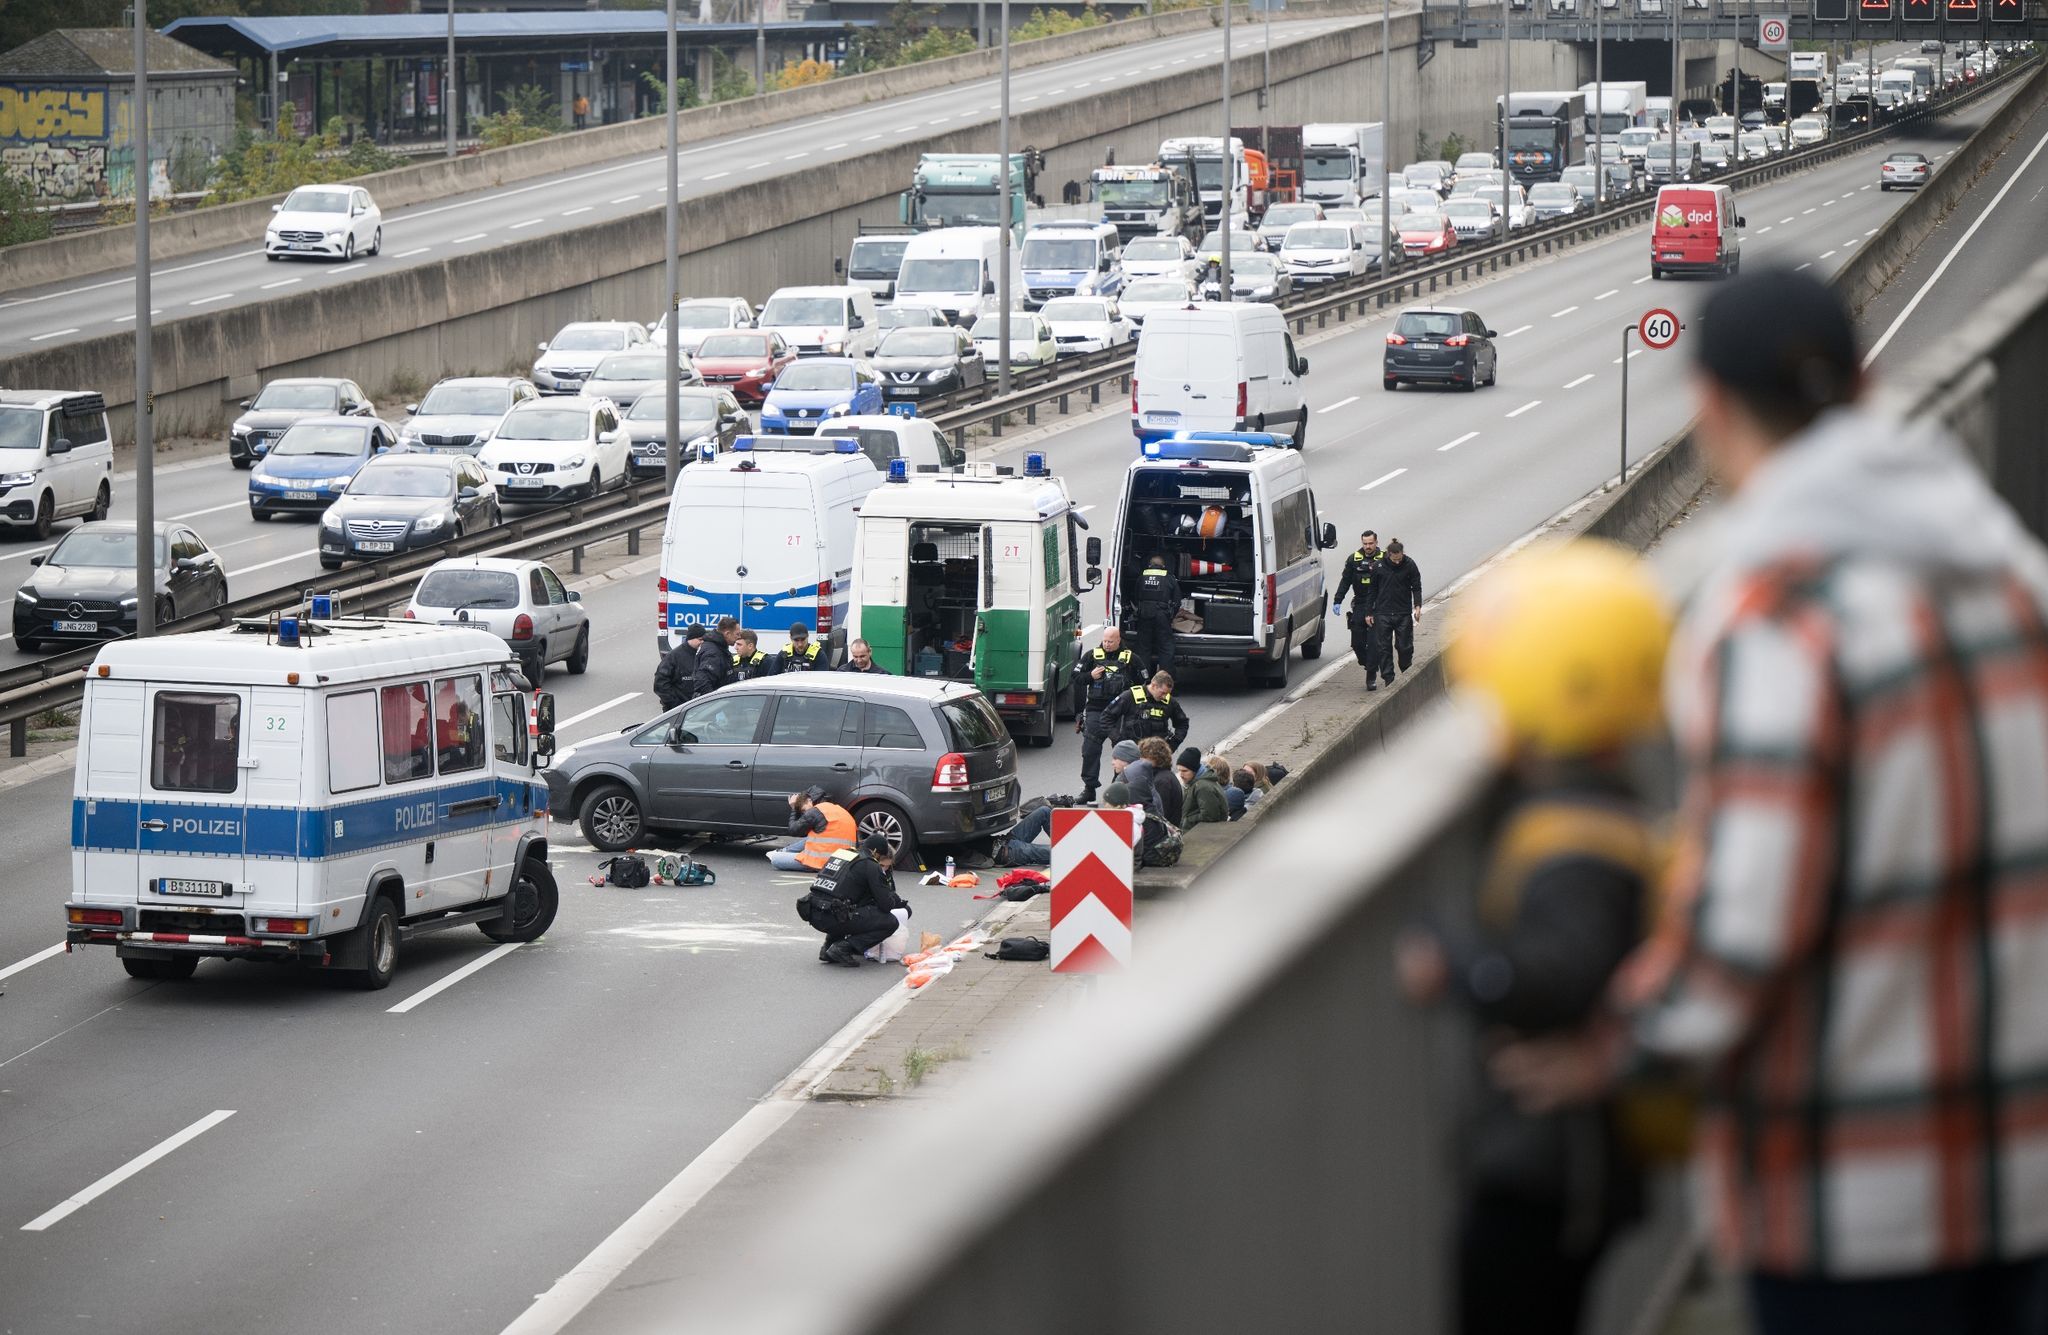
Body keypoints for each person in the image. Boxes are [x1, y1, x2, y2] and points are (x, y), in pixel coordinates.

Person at [1490, 270, 2048, 1335]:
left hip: (1854, 1205)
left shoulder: (1781, 623)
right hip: (2019, 1171)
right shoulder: (2007, 578)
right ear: (1863, 383)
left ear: (1708, 405)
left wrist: (1608, 1051)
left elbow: (1741, 932)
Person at [1403, 541, 1670, 1335]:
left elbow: (1561, 970)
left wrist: (1456, 965)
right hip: (1567, 1168)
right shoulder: (1608, 805)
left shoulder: (1573, 840)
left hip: (1549, 1171)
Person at [796, 833, 909, 967]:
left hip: (813, 912)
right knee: (890, 921)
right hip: (834, 916)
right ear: (875, 852)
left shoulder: (842, 854)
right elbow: (885, 905)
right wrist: (895, 900)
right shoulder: (870, 864)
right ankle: (843, 948)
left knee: (845, 905)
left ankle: (828, 947)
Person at [1074, 626, 1139, 803]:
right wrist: (1090, 676)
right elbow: (1076, 677)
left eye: (1111, 641)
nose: (1107, 644)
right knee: (1089, 750)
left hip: (1120, 712)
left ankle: (1118, 787)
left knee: (1122, 751)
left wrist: (1135, 708)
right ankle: (1089, 789)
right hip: (1096, 709)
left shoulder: (1131, 658)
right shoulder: (1092, 656)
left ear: (1119, 640)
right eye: (1105, 640)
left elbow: (1143, 682)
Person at [1331, 529, 1384, 682]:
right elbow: (1345, 581)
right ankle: (1368, 663)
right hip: (1360, 603)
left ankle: (1371, 675)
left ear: (1376, 543)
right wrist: (1337, 600)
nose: (1368, 546)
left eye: (1371, 543)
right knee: (1357, 643)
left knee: (1374, 643)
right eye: (1365, 543)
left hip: (1379, 605)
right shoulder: (1354, 559)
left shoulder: (1384, 559)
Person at [1370, 539, 1422, 689]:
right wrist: (1369, 612)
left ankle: (1406, 670)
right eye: (1394, 559)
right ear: (1389, 555)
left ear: (1402, 554)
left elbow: (1416, 586)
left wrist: (1417, 606)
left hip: (1403, 612)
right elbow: (1372, 591)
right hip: (1383, 613)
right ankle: (1389, 680)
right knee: (1383, 647)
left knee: (1404, 646)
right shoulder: (1378, 567)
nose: (1398, 562)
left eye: (1400, 559)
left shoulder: (1410, 565)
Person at [767, 787, 857, 873]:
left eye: (804, 810)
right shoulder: (838, 809)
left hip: (822, 862)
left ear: (809, 800)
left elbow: (793, 830)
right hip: (844, 862)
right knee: (812, 836)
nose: (805, 813)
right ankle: (784, 851)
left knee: (775, 859)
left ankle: (780, 853)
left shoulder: (815, 811)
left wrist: (794, 808)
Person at [1102, 670, 1189, 748]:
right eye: (1162, 693)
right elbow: (1106, 718)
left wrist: (1172, 744)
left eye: (1167, 694)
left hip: (1156, 754)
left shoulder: (1170, 702)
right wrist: (1118, 740)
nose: (1164, 697)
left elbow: (1183, 723)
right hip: (1131, 752)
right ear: (1154, 685)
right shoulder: (1130, 696)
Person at [1130, 551, 1180, 675]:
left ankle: (1143, 679)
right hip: (1162, 615)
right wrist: (1171, 615)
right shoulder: (1169, 578)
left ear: (1149, 565)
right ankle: (1165, 682)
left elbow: (1135, 596)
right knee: (1166, 648)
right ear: (1163, 566)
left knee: (1143, 648)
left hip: (1144, 614)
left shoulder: (1142, 577)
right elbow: (1177, 600)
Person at [653, 623, 705, 711]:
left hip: (701, 708)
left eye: (704, 640)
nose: (702, 642)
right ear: (690, 639)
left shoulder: (704, 654)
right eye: (700, 639)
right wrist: (675, 705)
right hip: (678, 710)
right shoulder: (673, 657)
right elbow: (660, 684)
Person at [1176, 747, 1228, 832]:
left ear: (1194, 770)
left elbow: (1210, 816)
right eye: (1179, 770)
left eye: (1185, 771)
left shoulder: (1203, 787)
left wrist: (1188, 819)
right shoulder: (1196, 782)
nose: (1181, 775)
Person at [1137, 736, 1182, 829]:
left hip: (1166, 833)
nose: (1140, 760)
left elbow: (1160, 814)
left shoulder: (1162, 781)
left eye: (1144, 757)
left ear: (1156, 758)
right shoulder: (1163, 776)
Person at [692, 617, 734, 700]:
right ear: (727, 634)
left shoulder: (719, 647)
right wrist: (714, 703)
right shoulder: (713, 652)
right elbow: (702, 681)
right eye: (737, 634)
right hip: (713, 706)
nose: (739, 637)